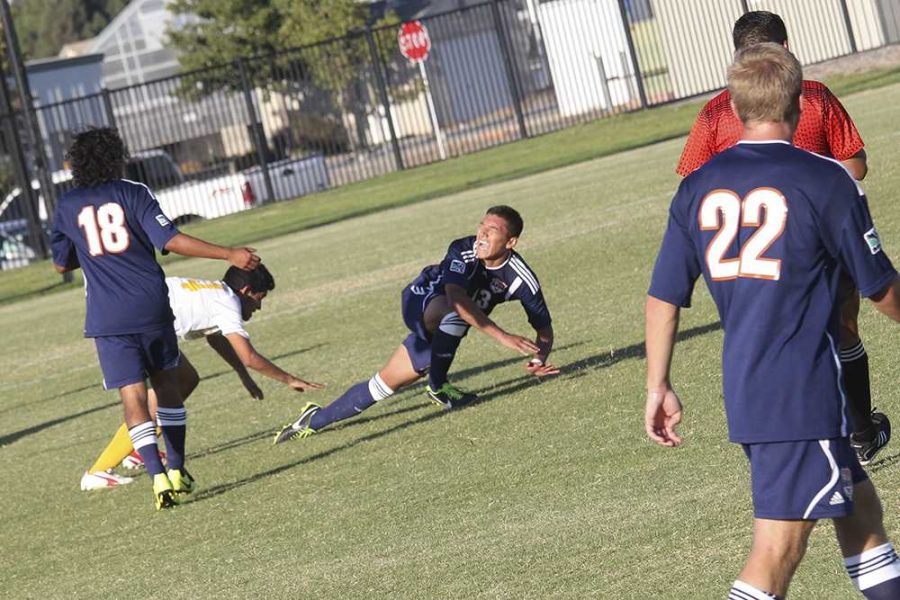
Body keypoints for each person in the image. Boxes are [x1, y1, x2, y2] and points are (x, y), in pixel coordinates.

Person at [646, 43, 900, 599]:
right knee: (776, 552)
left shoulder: (696, 187)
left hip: (748, 385)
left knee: (861, 511)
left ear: (734, 111)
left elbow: (664, 295)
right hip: (802, 392)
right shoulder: (826, 180)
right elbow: (880, 288)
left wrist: (657, 384)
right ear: (800, 105)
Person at [676, 10, 888, 466]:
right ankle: (860, 432)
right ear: (787, 49)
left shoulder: (717, 111)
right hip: (823, 236)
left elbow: (691, 183)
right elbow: (855, 164)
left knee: (769, 337)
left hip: (752, 252)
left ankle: (809, 436)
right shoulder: (813, 95)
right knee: (843, 327)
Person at [51, 127, 261, 510]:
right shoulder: (134, 192)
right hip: (150, 305)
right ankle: (178, 468)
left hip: (107, 316)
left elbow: (60, 263)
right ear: (116, 158)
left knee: (132, 397)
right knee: (167, 384)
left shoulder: (67, 205)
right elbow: (171, 240)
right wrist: (228, 252)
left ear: (77, 165)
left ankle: (156, 477)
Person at [273, 205, 558, 444]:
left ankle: (312, 420)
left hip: (446, 328)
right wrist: (503, 336)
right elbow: (456, 299)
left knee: (382, 386)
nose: (481, 234)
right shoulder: (463, 249)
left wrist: (538, 358)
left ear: (511, 243)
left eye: (491, 231)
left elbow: (544, 329)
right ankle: (438, 386)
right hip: (422, 299)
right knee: (455, 311)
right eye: (481, 226)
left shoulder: (521, 279)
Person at [80, 263, 324, 490]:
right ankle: (98, 470)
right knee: (147, 401)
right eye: (258, 299)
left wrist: (243, 376)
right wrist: (289, 379)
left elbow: (215, 336)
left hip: (140, 316)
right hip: (133, 325)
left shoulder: (217, 293)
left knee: (186, 379)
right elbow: (249, 356)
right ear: (246, 290)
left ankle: (136, 450)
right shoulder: (227, 302)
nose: (258, 307)